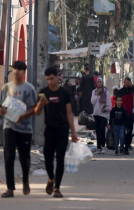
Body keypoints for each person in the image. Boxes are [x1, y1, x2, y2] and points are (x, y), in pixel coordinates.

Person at [35, 66, 78, 198]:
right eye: (47, 79)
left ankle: (57, 188)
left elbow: (69, 113)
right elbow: (37, 113)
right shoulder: (43, 92)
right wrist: (40, 105)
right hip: (50, 130)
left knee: (60, 160)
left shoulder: (64, 93)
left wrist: (73, 133)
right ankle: (51, 179)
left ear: (57, 77)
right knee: (48, 158)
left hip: (62, 130)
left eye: (51, 78)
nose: (49, 81)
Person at [0, 61, 37, 198]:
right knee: (8, 157)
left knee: (24, 157)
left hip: (25, 129)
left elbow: (34, 108)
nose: (16, 72)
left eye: (19, 69)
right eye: (14, 69)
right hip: (9, 126)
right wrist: (2, 111)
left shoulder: (29, 88)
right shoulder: (6, 88)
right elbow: (0, 106)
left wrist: (22, 116)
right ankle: (10, 188)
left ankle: (25, 181)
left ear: (24, 72)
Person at [117, 77, 134, 155]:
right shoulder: (121, 91)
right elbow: (117, 101)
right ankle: (122, 146)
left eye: (128, 82)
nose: (127, 84)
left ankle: (127, 147)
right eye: (126, 82)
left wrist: (132, 86)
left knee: (129, 132)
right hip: (122, 114)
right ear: (123, 83)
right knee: (122, 131)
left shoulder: (132, 91)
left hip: (130, 115)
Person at [91, 78, 112, 154]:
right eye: (98, 82)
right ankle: (98, 147)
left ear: (102, 83)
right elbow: (92, 102)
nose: (99, 83)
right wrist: (97, 95)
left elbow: (109, 104)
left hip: (103, 114)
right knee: (98, 130)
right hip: (96, 114)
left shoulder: (106, 92)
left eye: (100, 82)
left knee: (102, 129)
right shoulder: (94, 92)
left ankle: (103, 146)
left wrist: (105, 108)